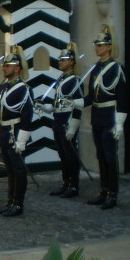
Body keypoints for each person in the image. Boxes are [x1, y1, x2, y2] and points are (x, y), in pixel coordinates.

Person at [83, 26, 127, 210]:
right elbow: (91, 96)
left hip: (110, 117)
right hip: (97, 117)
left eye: (101, 45)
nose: (97, 48)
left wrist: (119, 123)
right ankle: (103, 190)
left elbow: (122, 98)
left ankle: (113, 194)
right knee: (100, 156)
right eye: (96, 45)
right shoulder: (95, 69)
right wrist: (74, 102)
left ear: (109, 47)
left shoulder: (116, 68)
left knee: (110, 157)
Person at [35, 43, 84, 198]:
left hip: (67, 122)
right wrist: (43, 106)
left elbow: (78, 105)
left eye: (63, 60)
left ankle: (73, 185)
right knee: (63, 155)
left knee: (70, 155)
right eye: (60, 59)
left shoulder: (74, 81)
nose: (60, 62)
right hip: (58, 120)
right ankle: (66, 182)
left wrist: (73, 127)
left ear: (71, 61)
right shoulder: (61, 79)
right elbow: (56, 105)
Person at [0, 46, 34, 217]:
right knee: (9, 169)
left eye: (8, 65)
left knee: (19, 169)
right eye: (4, 65)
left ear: (17, 68)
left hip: (16, 131)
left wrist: (22, 139)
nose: (4, 67)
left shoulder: (24, 88)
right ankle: (10, 200)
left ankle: (18, 203)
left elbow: (27, 115)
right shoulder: (3, 88)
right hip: (4, 130)